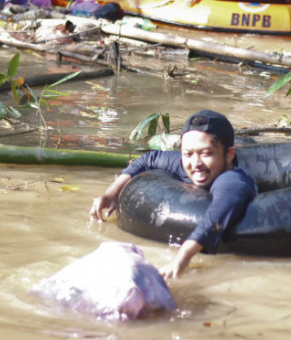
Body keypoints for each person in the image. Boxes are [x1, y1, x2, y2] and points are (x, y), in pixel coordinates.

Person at [90, 110, 256, 279]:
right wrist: (112, 192)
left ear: (229, 155)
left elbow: (215, 219)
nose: (196, 163)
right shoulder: (185, 165)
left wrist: (181, 259)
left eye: (206, 154)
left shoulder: (233, 182)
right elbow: (149, 159)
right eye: (188, 154)